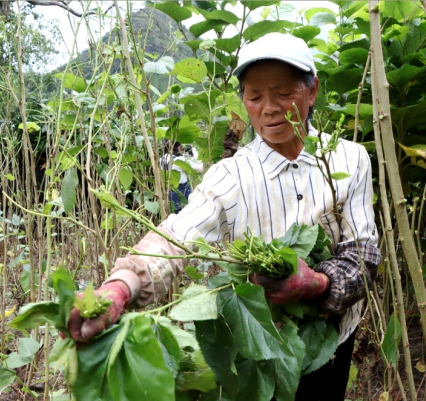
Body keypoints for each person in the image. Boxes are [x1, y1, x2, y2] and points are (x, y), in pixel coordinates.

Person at [68, 32, 381, 400]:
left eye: (283, 93)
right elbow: (177, 236)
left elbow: (363, 254)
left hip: (333, 335)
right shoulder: (230, 176)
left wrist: (318, 284)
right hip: (265, 347)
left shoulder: (349, 158)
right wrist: (120, 287)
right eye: (255, 96)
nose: (269, 108)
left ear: (311, 91)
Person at [160, 140, 203, 212]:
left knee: (176, 212)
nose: (182, 148)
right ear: (175, 147)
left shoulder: (161, 159)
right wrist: (194, 151)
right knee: (188, 212)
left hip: (170, 191)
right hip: (182, 190)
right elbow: (201, 167)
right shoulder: (179, 160)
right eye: (180, 145)